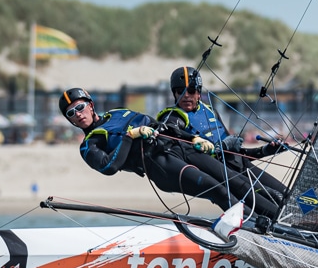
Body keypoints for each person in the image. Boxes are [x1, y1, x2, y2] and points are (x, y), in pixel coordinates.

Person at [59, 87, 279, 219]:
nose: (77, 115)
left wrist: (194, 139)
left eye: (80, 107)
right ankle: (256, 226)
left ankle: (276, 217)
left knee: (233, 180)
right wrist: (130, 136)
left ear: (90, 105)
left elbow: (159, 125)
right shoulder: (89, 145)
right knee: (219, 190)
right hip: (160, 165)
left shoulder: (118, 112)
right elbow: (109, 167)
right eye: (71, 113)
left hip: (178, 148)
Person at [156, 66, 288, 206]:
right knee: (275, 199)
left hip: (243, 166)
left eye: (191, 90)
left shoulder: (210, 111)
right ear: (174, 94)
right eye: (180, 91)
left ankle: (310, 223)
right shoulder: (173, 117)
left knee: (288, 195)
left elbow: (236, 153)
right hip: (224, 177)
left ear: (199, 92)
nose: (186, 95)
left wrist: (264, 151)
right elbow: (171, 132)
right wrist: (219, 147)